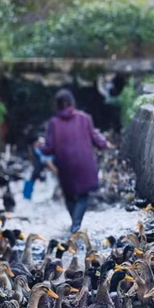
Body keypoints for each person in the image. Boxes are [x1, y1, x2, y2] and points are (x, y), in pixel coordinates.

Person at [40, 89, 109, 233]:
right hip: (85, 163)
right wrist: (104, 143)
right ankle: (75, 227)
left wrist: (40, 147)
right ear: (72, 102)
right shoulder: (85, 118)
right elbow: (97, 139)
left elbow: (49, 147)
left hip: (65, 165)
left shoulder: (54, 123)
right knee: (83, 196)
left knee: (69, 196)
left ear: (57, 105)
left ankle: (74, 226)